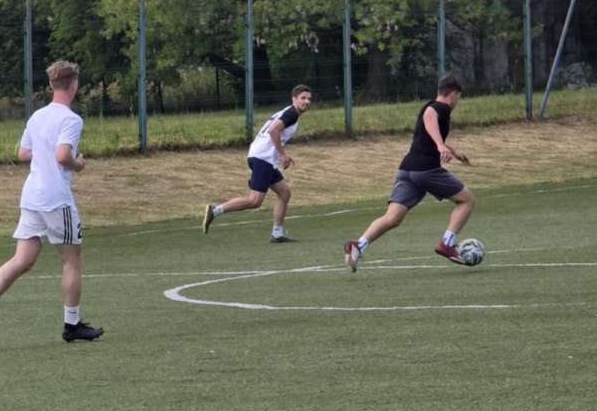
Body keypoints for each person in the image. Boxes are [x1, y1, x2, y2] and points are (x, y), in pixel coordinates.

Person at [0, 61, 103, 346]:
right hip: (55, 198)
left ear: (51, 85)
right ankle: (72, 324)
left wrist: (45, 152)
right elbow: (63, 156)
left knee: (23, 259)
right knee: (71, 260)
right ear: (74, 84)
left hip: (32, 196)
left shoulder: (37, 116)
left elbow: (23, 152)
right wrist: (78, 164)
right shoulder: (71, 119)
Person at [343, 74, 474, 271]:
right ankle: (447, 243)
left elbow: (427, 134)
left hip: (407, 169)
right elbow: (430, 116)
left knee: (393, 218)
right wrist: (440, 146)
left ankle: (358, 245)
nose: (458, 101)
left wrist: (452, 151)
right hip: (426, 170)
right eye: (459, 97)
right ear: (453, 94)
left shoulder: (431, 105)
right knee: (466, 200)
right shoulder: (440, 107)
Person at [201, 84, 313, 242]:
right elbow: (273, 130)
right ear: (294, 99)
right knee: (254, 201)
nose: (307, 102)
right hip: (263, 157)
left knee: (284, 192)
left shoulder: (288, 112)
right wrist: (283, 155)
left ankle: (277, 234)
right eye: (303, 98)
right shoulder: (292, 113)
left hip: (263, 157)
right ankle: (215, 210)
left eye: (309, 99)